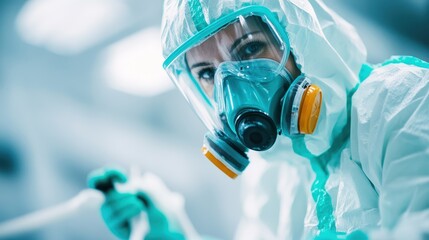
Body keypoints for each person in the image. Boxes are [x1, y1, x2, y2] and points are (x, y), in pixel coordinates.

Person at [88, 0, 429, 239]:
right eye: (207, 73)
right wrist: (175, 235)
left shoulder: (400, 102)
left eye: (249, 50)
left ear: (298, 41)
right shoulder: (274, 178)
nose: (232, 86)